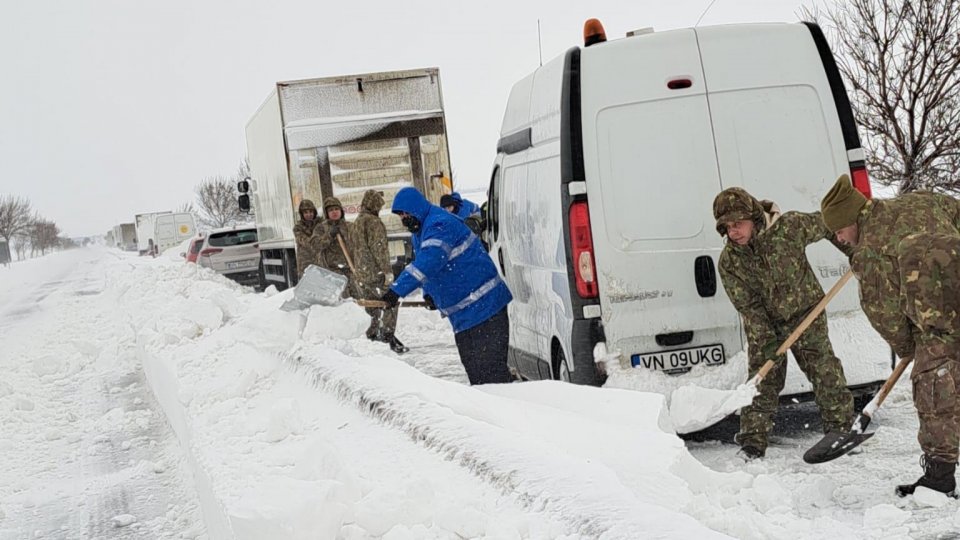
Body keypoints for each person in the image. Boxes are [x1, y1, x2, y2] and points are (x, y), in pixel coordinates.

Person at [821, 174, 960, 497]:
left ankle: (939, 478)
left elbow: (884, 313)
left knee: (933, 389)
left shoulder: (868, 253)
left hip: (939, 320)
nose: (841, 239)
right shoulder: (921, 199)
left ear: (852, 219)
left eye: (840, 231)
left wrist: (908, 349)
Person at [713, 187, 854, 461]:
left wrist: (853, 252)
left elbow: (828, 224)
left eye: (738, 224)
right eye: (727, 227)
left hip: (806, 313)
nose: (733, 232)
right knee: (762, 380)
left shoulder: (789, 227)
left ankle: (840, 430)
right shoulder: (729, 262)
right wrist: (766, 341)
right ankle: (752, 443)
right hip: (765, 323)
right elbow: (748, 306)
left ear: (754, 218)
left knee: (823, 369)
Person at [381, 187, 514, 384]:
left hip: (485, 309)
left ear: (416, 209)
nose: (404, 218)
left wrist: (396, 290)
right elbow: (430, 267)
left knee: (491, 377)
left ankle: (508, 413)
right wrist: (429, 293)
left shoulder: (439, 224)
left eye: (406, 213)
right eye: (401, 216)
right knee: (479, 377)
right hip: (467, 317)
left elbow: (429, 261)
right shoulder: (421, 231)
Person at [348, 190, 407, 354]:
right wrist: (387, 271)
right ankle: (387, 336)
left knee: (372, 307)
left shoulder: (357, 222)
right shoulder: (373, 222)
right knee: (389, 303)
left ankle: (374, 335)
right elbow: (379, 249)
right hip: (375, 273)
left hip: (361, 272)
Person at [315, 197, 354, 287]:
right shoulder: (321, 228)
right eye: (331, 210)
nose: (334, 212)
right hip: (332, 272)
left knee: (356, 299)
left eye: (336, 209)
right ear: (327, 213)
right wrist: (329, 235)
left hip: (351, 269)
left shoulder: (350, 226)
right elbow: (316, 246)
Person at [293, 199, 324, 279]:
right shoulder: (298, 228)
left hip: (322, 262)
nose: (309, 214)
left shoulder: (322, 224)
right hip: (306, 263)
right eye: (306, 212)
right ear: (302, 214)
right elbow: (305, 241)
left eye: (311, 212)